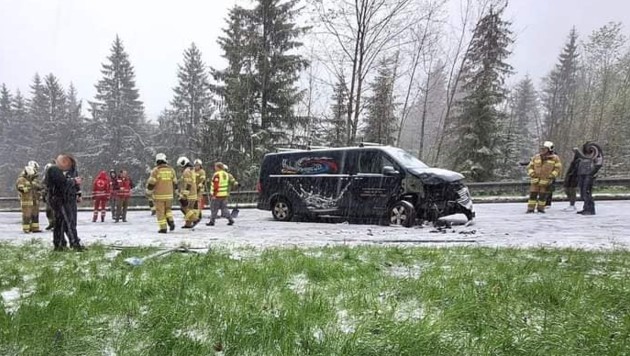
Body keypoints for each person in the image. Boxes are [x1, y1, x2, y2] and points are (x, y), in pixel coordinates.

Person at [45, 154, 85, 251]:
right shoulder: (53, 170)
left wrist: (78, 193)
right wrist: (74, 182)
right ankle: (73, 243)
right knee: (67, 222)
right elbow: (62, 184)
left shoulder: (71, 171)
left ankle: (61, 244)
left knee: (62, 223)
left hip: (68, 198)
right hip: (60, 199)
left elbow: (73, 184)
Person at [526, 141, 562, 213]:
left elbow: (558, 168)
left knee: (542, 196)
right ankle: (530, 209)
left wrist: (552, 176)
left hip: (545, 181)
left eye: (545, 149)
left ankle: (541, 208)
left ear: (549, 149)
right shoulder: (536, 157)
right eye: (542, 149)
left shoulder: (555, 158)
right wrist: (532, 174)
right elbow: (530, 166)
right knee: (532, 195)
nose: (543, 150)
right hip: (535, 181)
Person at [145, 153, 177, 233]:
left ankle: (163, 228)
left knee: (160, 212)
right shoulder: (171, 170)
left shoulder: (155, 170)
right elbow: (175, 182)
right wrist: (175, 191)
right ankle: (171, 221)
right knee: (168, 210)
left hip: (159, 196)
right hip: (169, 195)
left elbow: (151, 183)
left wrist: (148, 192)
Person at [574, 142, 604, 215]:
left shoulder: (596, 155)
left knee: (586, 191)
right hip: (582, 174)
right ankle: (586, 208)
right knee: (582, 192)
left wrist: (592, 173)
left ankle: (590, 209)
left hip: (589, 174)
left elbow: (598, 164)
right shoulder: (583, 156)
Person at [206, 162, 238, 226]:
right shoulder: (226, 174)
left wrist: (214, 195)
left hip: (217, 195)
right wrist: (236, 184)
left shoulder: (217, 174)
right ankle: (230, 219)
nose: (214, 168)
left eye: (215, 167)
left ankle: (212, 221)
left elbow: (216, 185)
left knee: (214, 209)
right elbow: (232, 181)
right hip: (224, 194)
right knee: (224, 208)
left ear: (218, 167)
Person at [177, 156, 200, 228]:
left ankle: (195, 219)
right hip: (193, 192)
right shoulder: (191, 169)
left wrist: (185, 195)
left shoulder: (186, 171)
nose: (180, 168)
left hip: (189, 194)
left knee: (184, 208)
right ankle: (188, 224)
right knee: (189, 209)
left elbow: (188, 184)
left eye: (180, 166)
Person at [16, 166, 37, 233]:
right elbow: (20, 189)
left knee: (31, 215)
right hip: (25, 200)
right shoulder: (21, 179)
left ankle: (31, 228)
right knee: (26, 215)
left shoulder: (28, 179)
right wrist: (28, 188)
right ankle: (26, 229)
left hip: (31, 200)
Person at [26, 160, 43, 232]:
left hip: (35, 197)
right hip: (30, 198)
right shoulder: (27, 176)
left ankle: (35, 228)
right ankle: (28, 227)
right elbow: (33, 185)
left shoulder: (34, 176)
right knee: (29, 213)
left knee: (35, 213)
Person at [41, 162, 56, 230]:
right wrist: (43, 195)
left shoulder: (55, 177)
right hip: (47, 196)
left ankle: (55, 225)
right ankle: (51, 223)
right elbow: (43, 187)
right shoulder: (44, 178)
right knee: (48, 211)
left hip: (54, 196)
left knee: (54, 211)